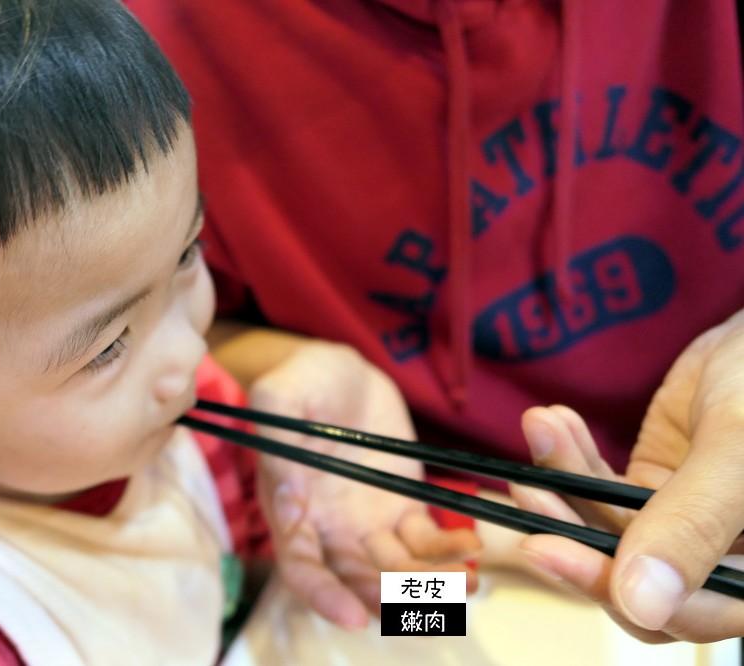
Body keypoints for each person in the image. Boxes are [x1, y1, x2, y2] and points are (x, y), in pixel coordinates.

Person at [0, 0, 483, 662]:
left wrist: (445, 603)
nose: (192, 353)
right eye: (107, 347)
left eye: (188, 256)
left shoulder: (185, 428)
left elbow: (285, 595)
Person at [124, 0, 744, 643]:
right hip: (425, 531)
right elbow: (159, 329)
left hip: (711, 501)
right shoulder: (152, 53)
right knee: (382, 622)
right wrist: (279, 363)